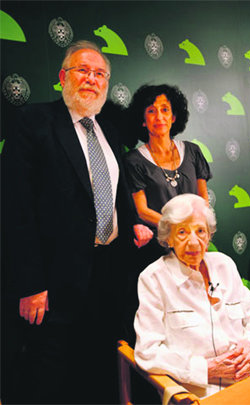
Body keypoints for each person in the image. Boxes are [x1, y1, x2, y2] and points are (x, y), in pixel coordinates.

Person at [2, 40, 152, 404]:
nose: (92, 79)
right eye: (82, 70)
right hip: (51, 282)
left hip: (106, 275)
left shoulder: (110, 131)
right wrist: (31, 283)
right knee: (47, 378)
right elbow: (15, 207)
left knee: (97, 370)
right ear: (62, 77)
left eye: (100, 73)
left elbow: (113, 190)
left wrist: (132, 222)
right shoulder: (34, 122)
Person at [134, 194, 250, 399]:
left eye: (200, 231)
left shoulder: (224, 265)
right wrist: (205, 369)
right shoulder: (154, 279)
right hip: (199, 391)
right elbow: (147, 352)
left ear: (209, 235)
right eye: (182, 232)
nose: (193, 242)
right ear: (169, 238)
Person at [123, 84, 212, 264]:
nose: (159, 117)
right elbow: (143, 211)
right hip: (158, 249)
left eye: (165, 110)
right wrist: (182, 229)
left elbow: (203, 199)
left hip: (195, 244)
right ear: (142, 119)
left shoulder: (193, 151)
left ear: (173, 117)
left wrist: (198, 232)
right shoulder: (133, 160)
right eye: (151, 111)